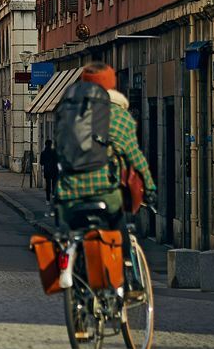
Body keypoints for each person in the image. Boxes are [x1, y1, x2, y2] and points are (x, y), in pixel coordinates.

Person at [55, 62, 157, 290]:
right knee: (119, 228)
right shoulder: (119, 116)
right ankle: (128, 278)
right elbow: (135, 157)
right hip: (103, 195)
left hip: (67, 195)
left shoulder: (68, 113)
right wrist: (150, 188)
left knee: (70, 233)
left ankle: (71, 264)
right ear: (112, 86)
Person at [39, 139, 58, 205]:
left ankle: (48, 200)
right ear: (51, 144)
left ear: (45, 144)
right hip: (54, 170)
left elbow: (41, 163)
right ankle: (54, 198)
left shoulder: (43, 153)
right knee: (54, 185)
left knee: (48, 186)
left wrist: (46, 163)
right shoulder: (54, 152)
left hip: (47, 171)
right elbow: (57, 161)